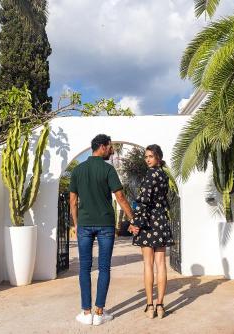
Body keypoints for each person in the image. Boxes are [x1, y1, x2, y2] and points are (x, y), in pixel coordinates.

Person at [69, 134, 138, 326]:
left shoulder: (79, 171)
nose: (112, 150)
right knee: (104, 267)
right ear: (101, 146)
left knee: (84, 267)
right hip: (106, 225)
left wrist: (76, 223)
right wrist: (133, 219)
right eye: (110, 147)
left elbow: (73, 201)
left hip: (84, 224)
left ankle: (86, 312)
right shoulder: (108, 170)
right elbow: (121, 197)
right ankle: (99, 313)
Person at [128, 144, 174, 319]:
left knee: (148, 264)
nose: (148, 159)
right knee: (161, 263)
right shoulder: (163, 176)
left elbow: (144, 202)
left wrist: (137, 223)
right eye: (146, 156)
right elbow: (163, 200)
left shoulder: (150, 175)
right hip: (161, 221)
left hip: (148, 223)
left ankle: (150, 306)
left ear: (158, 158)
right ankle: (161, 306)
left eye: (151, 156)